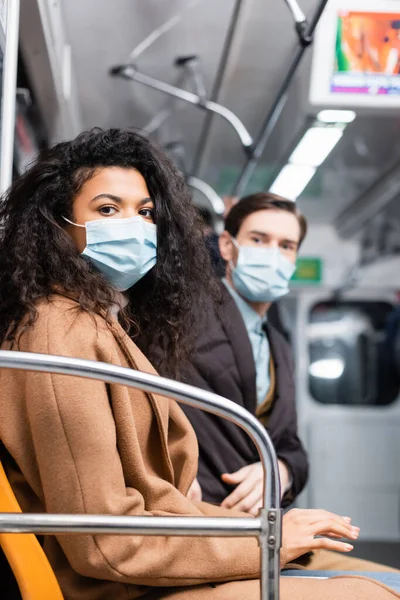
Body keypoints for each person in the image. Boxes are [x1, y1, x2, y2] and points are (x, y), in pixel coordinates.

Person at [0, 129, 398, 600]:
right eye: (107, 210)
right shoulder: (58, 330)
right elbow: (104, 542)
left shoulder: (97, 323)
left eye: (145, 212)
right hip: (117, 586)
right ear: (57, 223)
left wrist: (272, 525)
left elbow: (152, 501)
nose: (134, 225)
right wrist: (270, 539)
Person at [153, 192, 398, 574]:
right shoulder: (186, 312)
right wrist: (169, 468)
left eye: (286, 245)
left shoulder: (279, 346)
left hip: (262, 529)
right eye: (258, 240)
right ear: (227, 247)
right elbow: (147, 393)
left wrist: (279, 470)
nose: (271, 253)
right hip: (208, 526)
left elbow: (292, 446)